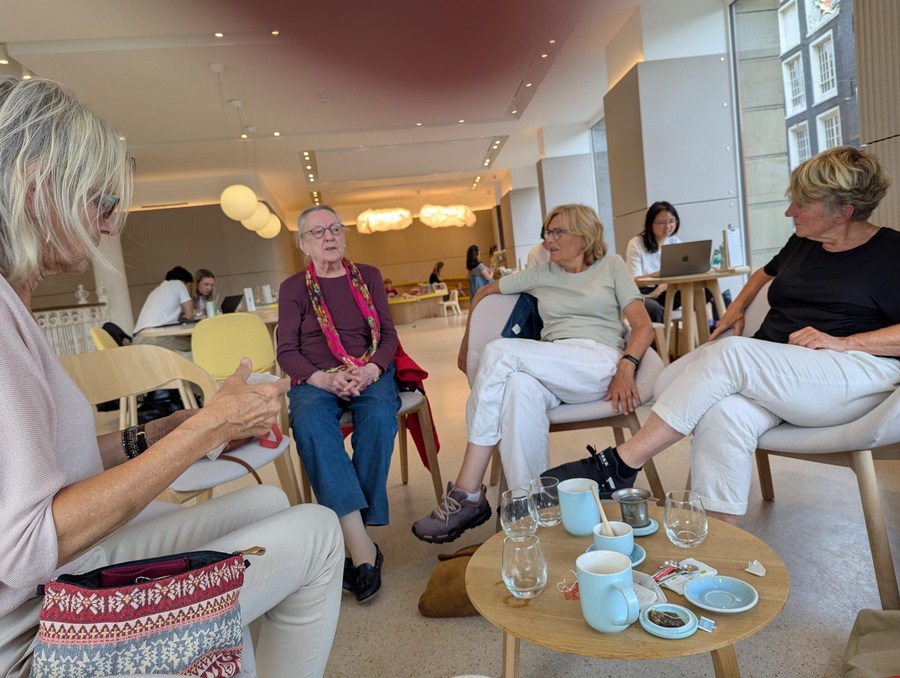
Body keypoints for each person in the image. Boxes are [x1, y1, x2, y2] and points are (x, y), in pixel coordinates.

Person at [0, 77, 342, 677]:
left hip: (55, 583)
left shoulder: (12, 303)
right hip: (39, 631)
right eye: (103, 201)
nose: (110, 226)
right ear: (35, 185)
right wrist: (207, 429)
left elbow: (47, 464)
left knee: (266, 500)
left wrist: (161, 432)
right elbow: (29, 547)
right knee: (316, 530)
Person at [544, 146, 900, 524]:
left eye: (800, 204)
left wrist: (844, 342)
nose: (789, 211)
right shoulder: (804, 242)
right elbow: (765, 273)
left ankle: (619, 463)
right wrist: (736, 308)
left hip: (853, 375)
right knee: (714, 408)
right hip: (784, 373)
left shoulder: (892, 254)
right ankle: (714, 536)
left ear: (843, 212)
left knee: (731, 354)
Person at [412, 204, 654, 543]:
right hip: (553, 365)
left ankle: (468, 491)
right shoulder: (542, 272)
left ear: (584, 235)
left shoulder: (611, 265)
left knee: (499, 352)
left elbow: (643, 326)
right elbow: (484, 291)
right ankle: (530, 509)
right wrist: (466, 343)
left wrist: (627, 365)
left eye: (557, 232)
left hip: (598, 362)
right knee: (517, 386)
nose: (548, 240)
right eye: (547, 232)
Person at [277, 204, 400, 603]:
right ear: (302, 244)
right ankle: (363, 549)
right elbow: (286, 351)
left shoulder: (369, 276)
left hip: (367, 370)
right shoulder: (293, 288)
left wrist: (371, 369)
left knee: (379, 415)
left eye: (334, 229)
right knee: (310, 423)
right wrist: (323, 379)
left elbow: (388, 336)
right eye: (317, 232)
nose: (328, 237)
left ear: (344, 235)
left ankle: (351, 529)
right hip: (316, 376)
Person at [624, 201, 682, 322]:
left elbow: (680, 274)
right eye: (662, 223)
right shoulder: (636, 243)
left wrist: (660, 288)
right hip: (643, 293)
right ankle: (663, 335)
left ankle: (710, 327)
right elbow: (634, 282)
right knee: (654, 310)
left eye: (672, 221)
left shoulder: (674, 241)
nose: (668, 226)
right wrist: (655, 276)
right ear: (651, 224)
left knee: (703, 291)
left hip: (667, 290)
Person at [132, 265, 195, 352]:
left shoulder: (156, 290)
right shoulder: (178, 284)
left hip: (138, 339)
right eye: (190, 286)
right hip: (152, 338)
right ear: (184, 282)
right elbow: (189, 315)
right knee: (195, 345)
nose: (190, 290)